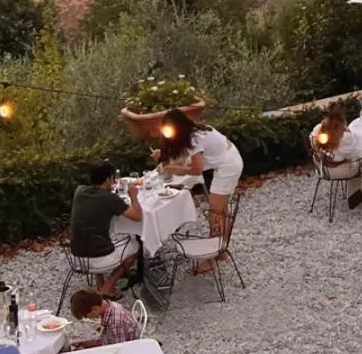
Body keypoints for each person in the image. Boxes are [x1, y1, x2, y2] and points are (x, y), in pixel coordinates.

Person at [155, 108, 243, 246]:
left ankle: (215, 253)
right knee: (221, 209)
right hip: (230, 157)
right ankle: (221, 251)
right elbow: (184, 154)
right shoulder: (194, 131)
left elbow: (197, 169)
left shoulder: (194, 138)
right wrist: (162, 155)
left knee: (216, 212)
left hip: (229, 166)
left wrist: (174, 169)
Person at [70, 161, 143, 297]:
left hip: (76, 256)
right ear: (108, 179)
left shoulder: (79, 191)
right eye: (112, 179)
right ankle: (107, 288)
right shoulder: (110, 198)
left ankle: (100, 283)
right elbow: (137, 216)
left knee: (95, 235)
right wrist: (133, 195)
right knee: (135, 245)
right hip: (95, 258)